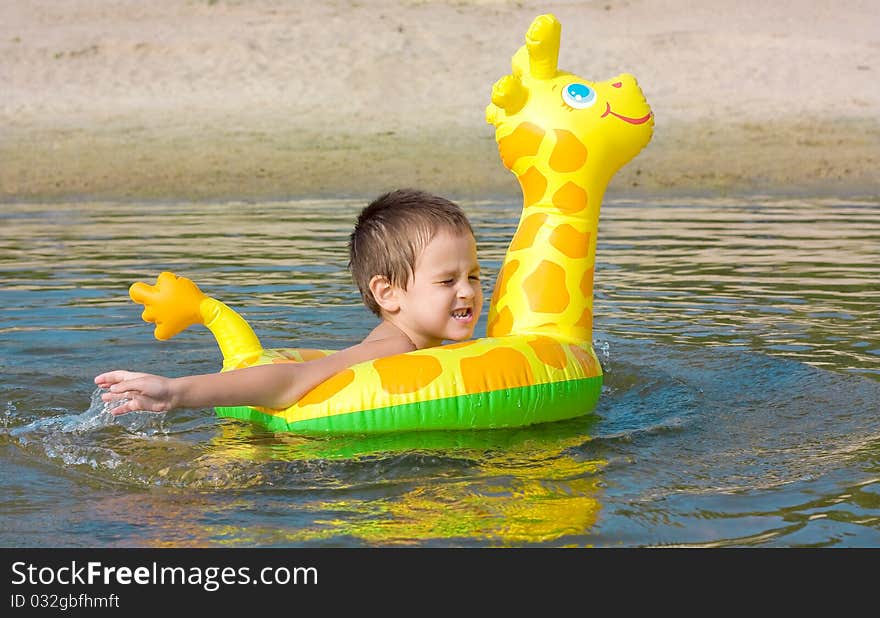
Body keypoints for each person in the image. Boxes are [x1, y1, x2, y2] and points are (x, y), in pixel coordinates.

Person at [95, 189, 483, 415]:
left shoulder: (417, 343)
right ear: (387, 293)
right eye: (447, 280)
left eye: (474, 276)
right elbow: (291, 380)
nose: (466, 291)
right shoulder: (393, 347)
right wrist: (177, 391)